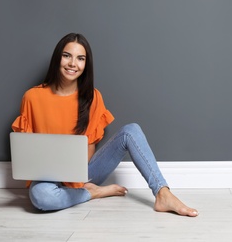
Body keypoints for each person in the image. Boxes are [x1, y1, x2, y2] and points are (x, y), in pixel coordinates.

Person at [12, 33, 198, 217]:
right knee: (42, 197)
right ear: (57, 58)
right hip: (47, 178)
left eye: (80, 58)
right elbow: (28, 150)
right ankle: (94, 193)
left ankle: (163, 193)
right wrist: (87, 188)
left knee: (131, 130)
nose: (72, 64)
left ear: (86, 65)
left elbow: (89, 147)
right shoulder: (32, 97)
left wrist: (78, 178)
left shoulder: (92, 97)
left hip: (82, 173)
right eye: (66, 55)